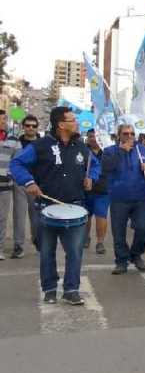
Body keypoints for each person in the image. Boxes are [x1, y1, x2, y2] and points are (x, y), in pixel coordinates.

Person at [10, 107, 99, 305]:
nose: (76, 122)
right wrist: (29, 182)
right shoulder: (40, 146)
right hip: (46, 207)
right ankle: (50, 288)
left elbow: (94, 165)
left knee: (75, 251)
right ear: (61, 124)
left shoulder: (81, 147)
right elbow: (16, 164)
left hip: (74, 207)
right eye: (73, 119)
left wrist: (91, 177)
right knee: (47, 252)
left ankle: (71, 289)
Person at [101, 124, 145, 274]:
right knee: (118, 232)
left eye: (132, 133)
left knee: (141, 228)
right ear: (119, 135)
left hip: (140, 197)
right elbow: (106, 168)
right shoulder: (109, 151)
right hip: (119, 198)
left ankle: (136, 254)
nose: (129, 136)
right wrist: (121, 151)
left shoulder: (143, 151)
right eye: (125, 133)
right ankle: (121, 261)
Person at [14, 114, 41, 254]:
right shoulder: (16, 142)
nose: (31, 128)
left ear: (37, 127)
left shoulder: (42, 144)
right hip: (20, 183)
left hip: (37, 183)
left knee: (36, 214)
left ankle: (37, 241)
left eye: (34, 125)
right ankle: (18, 245)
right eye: (28, 125)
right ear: (23, 127)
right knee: (19, 214)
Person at [0, 115, 24, 260]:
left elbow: (17, 161)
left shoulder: (14, 140)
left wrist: (9, 174)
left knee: (1, 218)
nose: (4, 122)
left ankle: (0, 249)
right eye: (1, 119)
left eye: (4, 119)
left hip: (5, 185)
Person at [83, 129, 109, 255]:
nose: (93, 138)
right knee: (86, 216)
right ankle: (86, 237)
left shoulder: (108, 152)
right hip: (85, 190)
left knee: (101, 216)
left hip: (103, 190)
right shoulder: (82, 151)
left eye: (95, 136)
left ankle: (100, 242)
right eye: (90, 136)